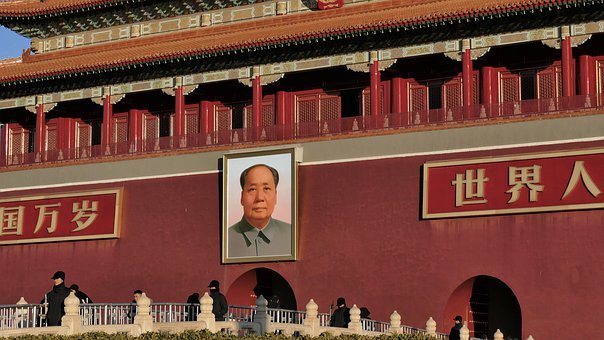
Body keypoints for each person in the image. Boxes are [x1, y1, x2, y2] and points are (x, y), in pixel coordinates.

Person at [227, 164, 292, 258]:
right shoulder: (224, 240)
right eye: (252, 189)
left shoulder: (293, 235)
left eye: (266, 188)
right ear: (242, 197)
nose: (259, 198)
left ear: (276, 196)